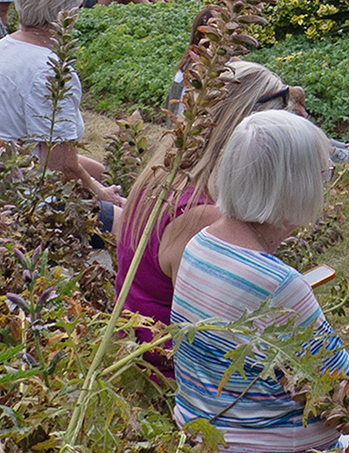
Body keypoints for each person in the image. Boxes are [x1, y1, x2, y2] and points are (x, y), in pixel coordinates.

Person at [171, 111, 349, 453]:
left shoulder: (201, 245)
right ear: (294, 186)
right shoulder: (279, 286)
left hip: (203, 452)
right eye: (321, 174)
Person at [116, 60, 297, 375]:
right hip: (171, 377)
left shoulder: (161, 178)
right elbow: (228, 329)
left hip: (134, 354)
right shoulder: (205, 217)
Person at [0, 0, 123, 209]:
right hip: (21, 198)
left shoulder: (1, 48)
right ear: (70, 12)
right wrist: (104, 195)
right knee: (129, 224)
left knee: (98, 171)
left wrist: (96, 178)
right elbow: (60, 169)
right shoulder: (52, 71)